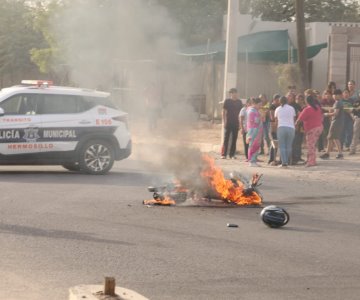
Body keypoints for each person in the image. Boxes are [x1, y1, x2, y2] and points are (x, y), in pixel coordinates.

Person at [296, 95, 324, 167]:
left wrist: (295, 125)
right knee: (312, 144)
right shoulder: (317, 107)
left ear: (306, 101)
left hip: (312, 129)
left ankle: (311, 162)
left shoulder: (307, 109)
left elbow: (299, 119)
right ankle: (311, 160)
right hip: (319, 127)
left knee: (310, 145)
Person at [320, 89, 345, 159]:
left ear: (339, 95)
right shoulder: (337, 102)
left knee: (332, 137)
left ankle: (331, 153)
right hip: (336, 121)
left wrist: (327, 114)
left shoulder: (338, 102)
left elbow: (336, 113)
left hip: (336, 122)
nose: (334, 96)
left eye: (335, 94)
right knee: (332, 138)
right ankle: (333, 153)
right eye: (333, 94)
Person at [221, 88, 243, 159]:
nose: (235, 94)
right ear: (230, 94)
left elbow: (241, 114)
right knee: (226, 138)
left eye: (236, 93)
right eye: (233, 93)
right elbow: (224, 112)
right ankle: (224, 154)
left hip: (236, 122)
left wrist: (240, 124)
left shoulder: (239, 102)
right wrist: (224, 122)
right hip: (228, 122)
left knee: (234, 139)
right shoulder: (227, 101)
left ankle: (232, 154)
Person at [275, 96, 296, 167]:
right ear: (287, 101)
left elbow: (276, 120)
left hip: (281, 127)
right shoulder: (291, 108)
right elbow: (293, 118)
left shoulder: (277, 109)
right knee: (289, 145)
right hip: (291, 128)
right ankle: (287, 161)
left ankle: (284, 162)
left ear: (279, 101)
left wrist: (275, 129)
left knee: (282, 146)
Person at [288, 92, 305, 164]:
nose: (288, 97)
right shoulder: (286, 105)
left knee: (297, 142)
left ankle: (296, 158)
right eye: (288, 96)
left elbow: (300, 115)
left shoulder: (296, 106)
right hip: (289, 126)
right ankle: (292, 158)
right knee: (292, 143)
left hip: (297, 126)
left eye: (290, 96)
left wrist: (298, 125)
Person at [246, 98, 263, 167]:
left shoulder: (256, 110)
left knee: (256, 145)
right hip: (253, 130)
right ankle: (251, 161)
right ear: (255, 104)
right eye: (259, 105)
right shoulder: (251, 111)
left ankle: (254, 160)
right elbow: (254, 121)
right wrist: (260, 118)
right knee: (252, 145)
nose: (260, 106)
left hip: (257, 130)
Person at [268, 94, 281, 165]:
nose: (278, 101)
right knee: (273, 144)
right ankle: (271, 159)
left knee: (275, 144)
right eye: (277, 99)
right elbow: (272, 117)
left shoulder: (278, 106)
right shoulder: (272, 106)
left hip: (276, 126)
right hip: (273, 127)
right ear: (274, 99)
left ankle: (273, 159)